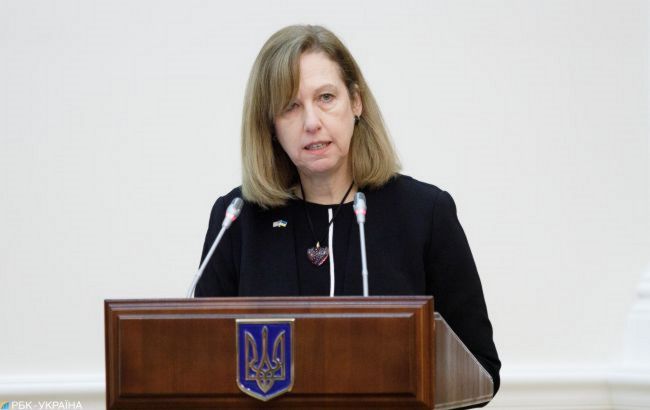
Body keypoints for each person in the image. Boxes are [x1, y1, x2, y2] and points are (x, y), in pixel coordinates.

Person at [195, 25, 500, 404]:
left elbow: (481, 369)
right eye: (290, 106)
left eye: (325, 97)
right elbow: (200, 362)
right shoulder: (237, 219)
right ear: (270, 124)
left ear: (356, 102)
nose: (311, 122)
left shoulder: (425, 213)